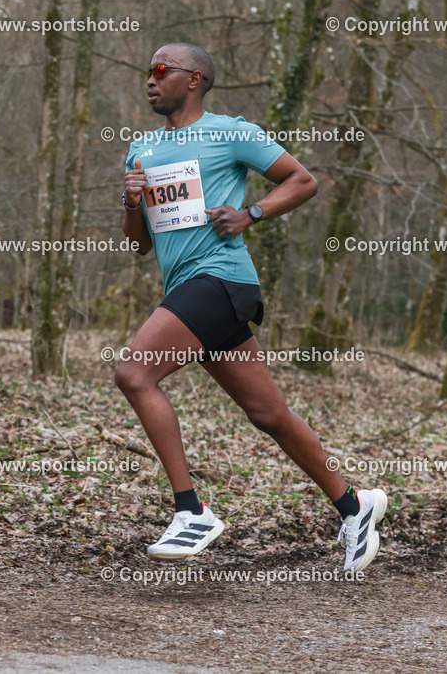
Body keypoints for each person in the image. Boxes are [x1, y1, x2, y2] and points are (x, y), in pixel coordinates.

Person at [115, 42, 387, 571]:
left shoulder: (230, 131)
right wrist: (130, 202)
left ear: (193, 80)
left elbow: (302, 180)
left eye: (160, 70)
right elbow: (139, 245)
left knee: (133, 372)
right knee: (268, 413)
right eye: (146, 70)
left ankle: (191, 511)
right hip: (188, 291)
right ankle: (355, 506)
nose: (149, 79)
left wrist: (251, 214)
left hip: (221, 280)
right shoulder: (141, 150)